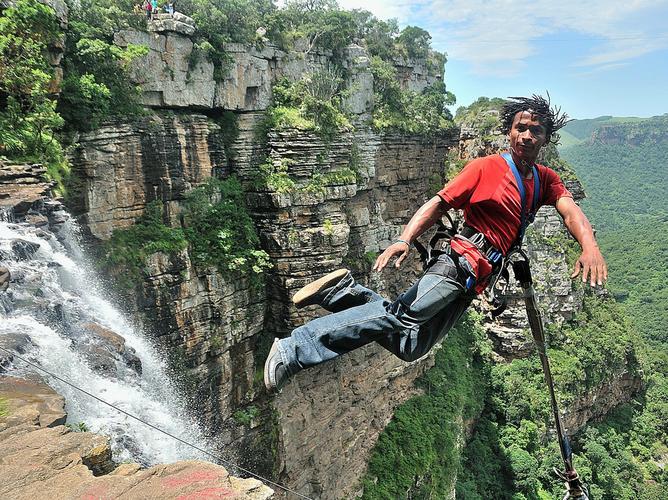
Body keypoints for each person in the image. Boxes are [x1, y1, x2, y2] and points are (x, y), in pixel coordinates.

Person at [264, 95, 608, 393]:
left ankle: (342, 293)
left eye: (536, 130)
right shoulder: (485, 168)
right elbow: (439, 202)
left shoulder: (546, 179)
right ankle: (294, 349)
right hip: (458, 265)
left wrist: (589, 246)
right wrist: (404, 239)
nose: (527, 135)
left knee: (411, 346)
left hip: (476, 281)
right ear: (509, 132)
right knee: (401, 317)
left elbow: (569, 209)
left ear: (546, 138)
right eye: (521, 127)